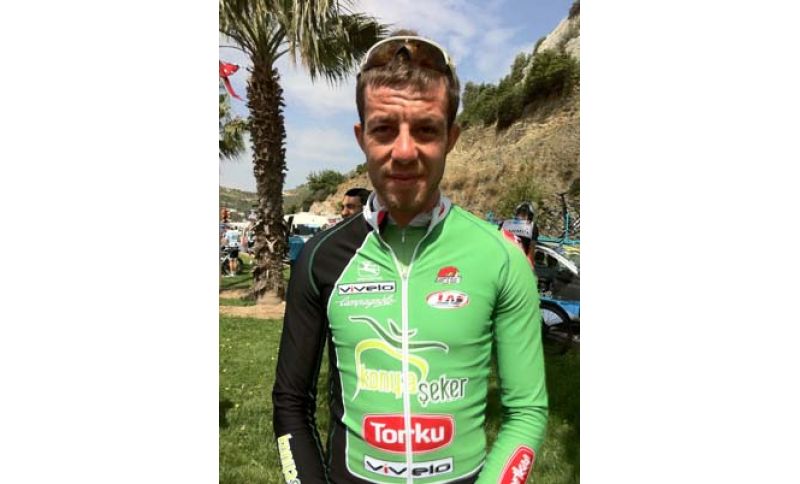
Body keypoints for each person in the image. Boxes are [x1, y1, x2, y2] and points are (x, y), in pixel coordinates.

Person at [273, 31, 547, 484]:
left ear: (451, 138)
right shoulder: (320, 256)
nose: (403, 151)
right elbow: (290, 405)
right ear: (362, 137)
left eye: (425, 129)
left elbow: (527, 412)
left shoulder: (502, 257)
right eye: (384, 129)